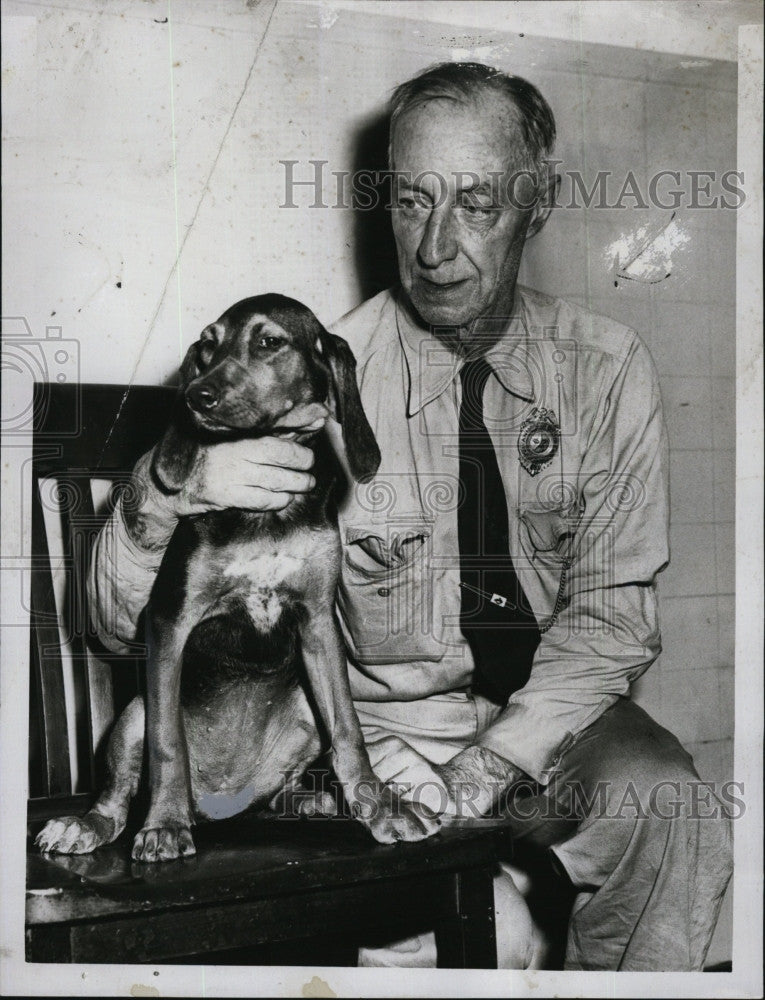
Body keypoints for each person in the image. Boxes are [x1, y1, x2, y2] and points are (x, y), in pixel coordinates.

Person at [89, 62, 732, 971]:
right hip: (378, 734)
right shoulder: (314, 379)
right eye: (408, 202)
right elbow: (123, 630)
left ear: (535, 206)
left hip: (556, 716)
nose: (432, 249)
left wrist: (490, 762)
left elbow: (610, 623)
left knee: (669, 808)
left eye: (474, 204)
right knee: (458, 938)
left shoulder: (606, 369)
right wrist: (168, 485)